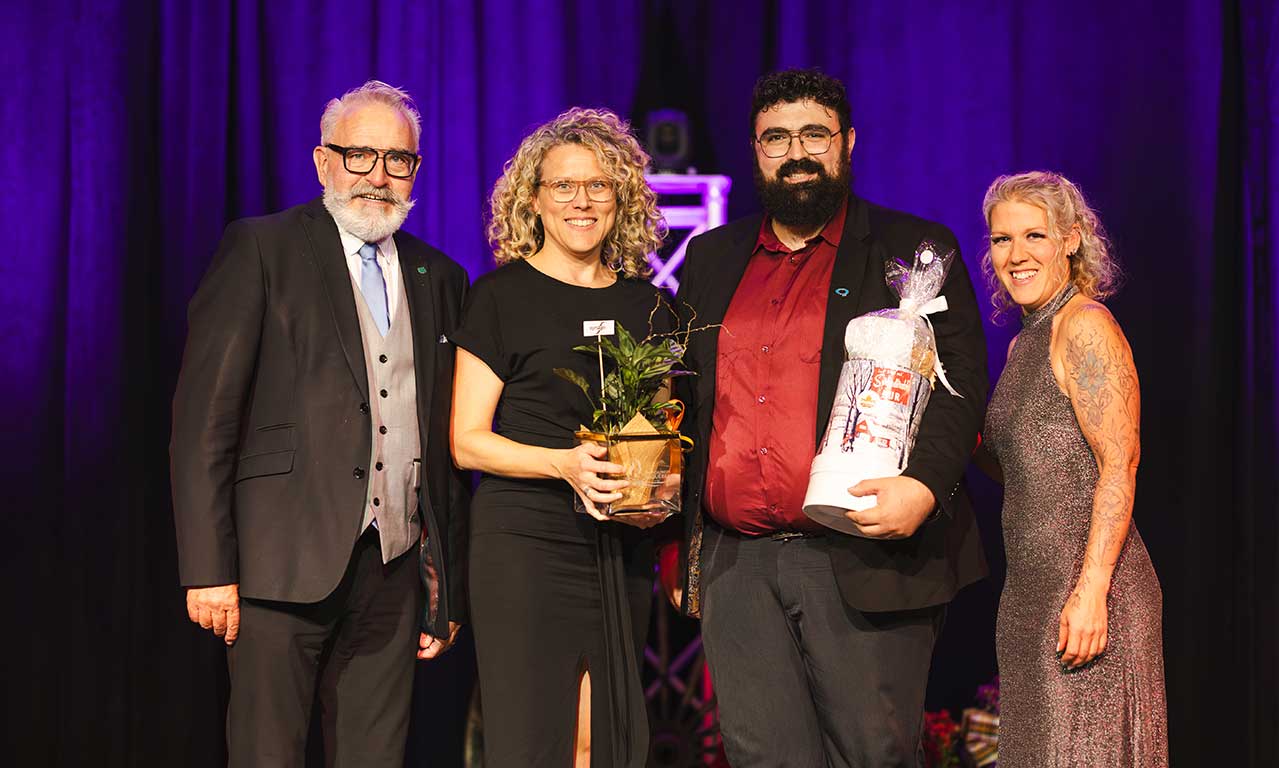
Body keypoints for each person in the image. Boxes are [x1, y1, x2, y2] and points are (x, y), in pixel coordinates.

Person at [673, 68, 990, 767]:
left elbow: (961, 382)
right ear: (755, 150)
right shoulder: (710, 255)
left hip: (858, 551)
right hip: (738, 563)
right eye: (776, 137)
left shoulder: (913, 251)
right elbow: (685, 392)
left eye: (815, 134)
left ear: (847, 142)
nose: (797, 151)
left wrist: (927, 486)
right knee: (762, 757)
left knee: (872, 753)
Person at [170, 80, 470, 766]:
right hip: (277, 566)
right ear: (321, 162)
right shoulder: (263, 249)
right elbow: (203, 421)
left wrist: (443, 585)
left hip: (392, 572)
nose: (378, 176)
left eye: (398, 160)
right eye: (359, 155)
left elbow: (445, 451)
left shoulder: (439, 276)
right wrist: (208, 568)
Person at [449, 107, 673, 768]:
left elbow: (658, 431)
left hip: (616, 549)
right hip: (522, 544)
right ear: (534, 200)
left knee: (599, 739)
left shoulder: (650, 305)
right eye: (564, 186)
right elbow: (466, 440)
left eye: (598, 185)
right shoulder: (499, 298)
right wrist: (565, 465)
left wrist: (661, 485)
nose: (582, 200)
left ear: (620, 198)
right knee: (532, 740)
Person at [977, 171, 1167, 766]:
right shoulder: (1020, 345)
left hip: (1089, 594)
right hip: (1030, 596)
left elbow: (1120, 465)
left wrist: (1092, 592)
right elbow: (1028, 473)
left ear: (1071, 239)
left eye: (1035, 235)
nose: (1016, 254)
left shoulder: (1084, 325)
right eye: (1002, 239)